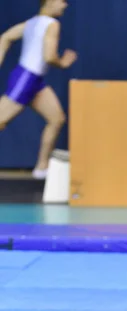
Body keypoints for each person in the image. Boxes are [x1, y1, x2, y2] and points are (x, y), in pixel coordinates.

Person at [0, 0, 77, 179]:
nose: (65, 5)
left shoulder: (31, 23)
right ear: (49, 2)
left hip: (34, 81)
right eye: (61, 1)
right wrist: (63, 62)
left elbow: (5, 38)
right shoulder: (52, 24)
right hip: (26, 79)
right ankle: (41, 167)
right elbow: (49, 56)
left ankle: (41, 168)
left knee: (57, 119)